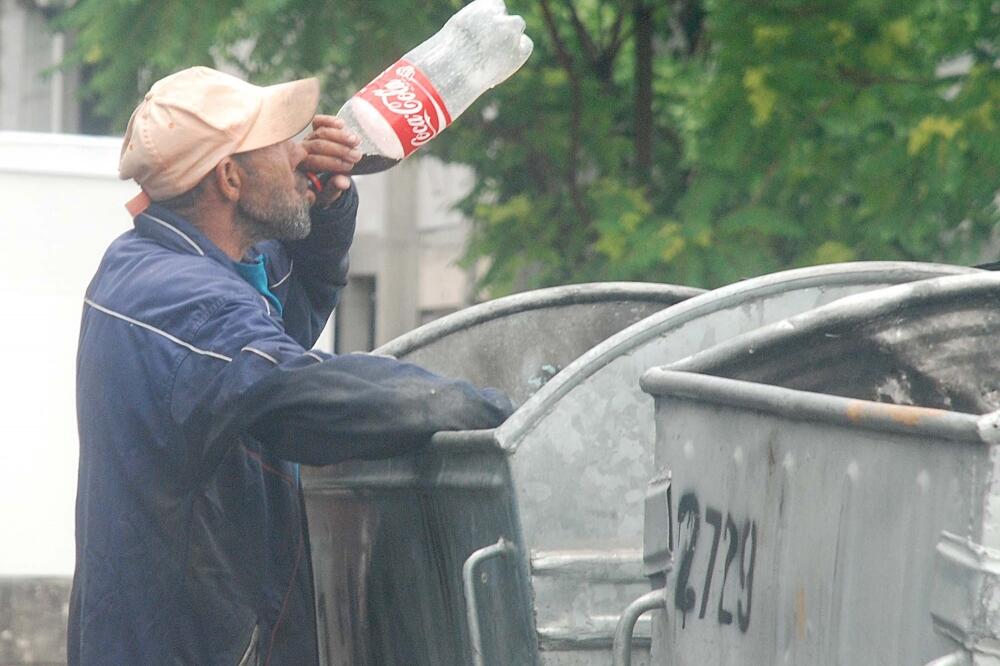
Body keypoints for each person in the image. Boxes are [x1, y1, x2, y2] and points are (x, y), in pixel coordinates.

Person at [68, 66, 513, 665]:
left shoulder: (159, 263)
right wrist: (488, 409)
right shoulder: (183, 306)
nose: (301, 151)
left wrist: (324, 214)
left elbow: (280, 318)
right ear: (229, 177)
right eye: (279, 143)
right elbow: (302, 394)